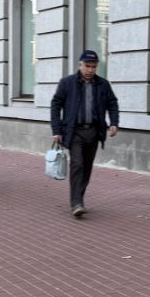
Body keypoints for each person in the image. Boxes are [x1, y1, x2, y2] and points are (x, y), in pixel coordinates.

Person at [50, 50, 119, 217]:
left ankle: (79, 198)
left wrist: (114, 123)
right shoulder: (67, 83)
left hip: (94, 132)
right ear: (80, 65)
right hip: (74, 132)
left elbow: (112, 103)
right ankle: (76, 203)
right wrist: (57, 130)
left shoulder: (103, 84)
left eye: (93, 67)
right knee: (77, 165)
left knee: (86, 168)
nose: (90, 70)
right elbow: (56, 105)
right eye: (87, 66)